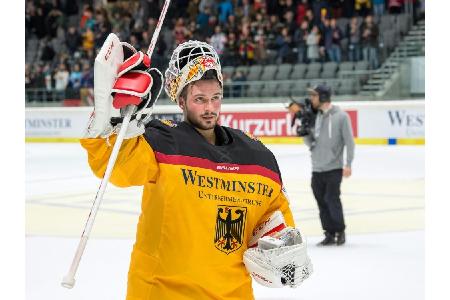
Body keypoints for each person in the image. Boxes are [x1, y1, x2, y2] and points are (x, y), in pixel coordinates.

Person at [80, 39, 312, 299]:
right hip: (162, 292)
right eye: (200, 99)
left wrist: (284, 250)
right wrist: (112, 129)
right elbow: (119, 169)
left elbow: (276, 219)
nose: (210, 108)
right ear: (181, 100)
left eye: (215, 98)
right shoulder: (161, 142)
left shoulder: (258, 157)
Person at [289, 85, 354, 246]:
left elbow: (350, 142)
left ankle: (340, 231)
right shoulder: (314, 117)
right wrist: (304, 134)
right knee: (321, 202)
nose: (311, 99)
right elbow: (312, 144)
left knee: (332, 199)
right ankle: (329, 233)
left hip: (334, 167)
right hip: (317, 168)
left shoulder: (341, 116)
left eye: (314, 96)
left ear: (323, 97)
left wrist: (348, 164)